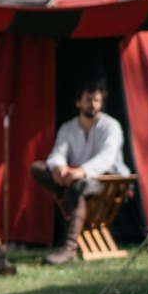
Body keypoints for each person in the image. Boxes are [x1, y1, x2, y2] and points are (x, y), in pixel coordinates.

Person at [30, 81, 128, 265]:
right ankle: (66, 193)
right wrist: (60, 168)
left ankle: (69, 247)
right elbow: (57, 153)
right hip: (74, 180)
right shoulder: (68, 128)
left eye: (97, 100)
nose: (93, 105)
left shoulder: (111, 126)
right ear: (78, 103)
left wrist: (81, 171)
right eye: (89, 100)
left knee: (77, 186)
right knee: (39, 168)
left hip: (105, 182)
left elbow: (106, 158)